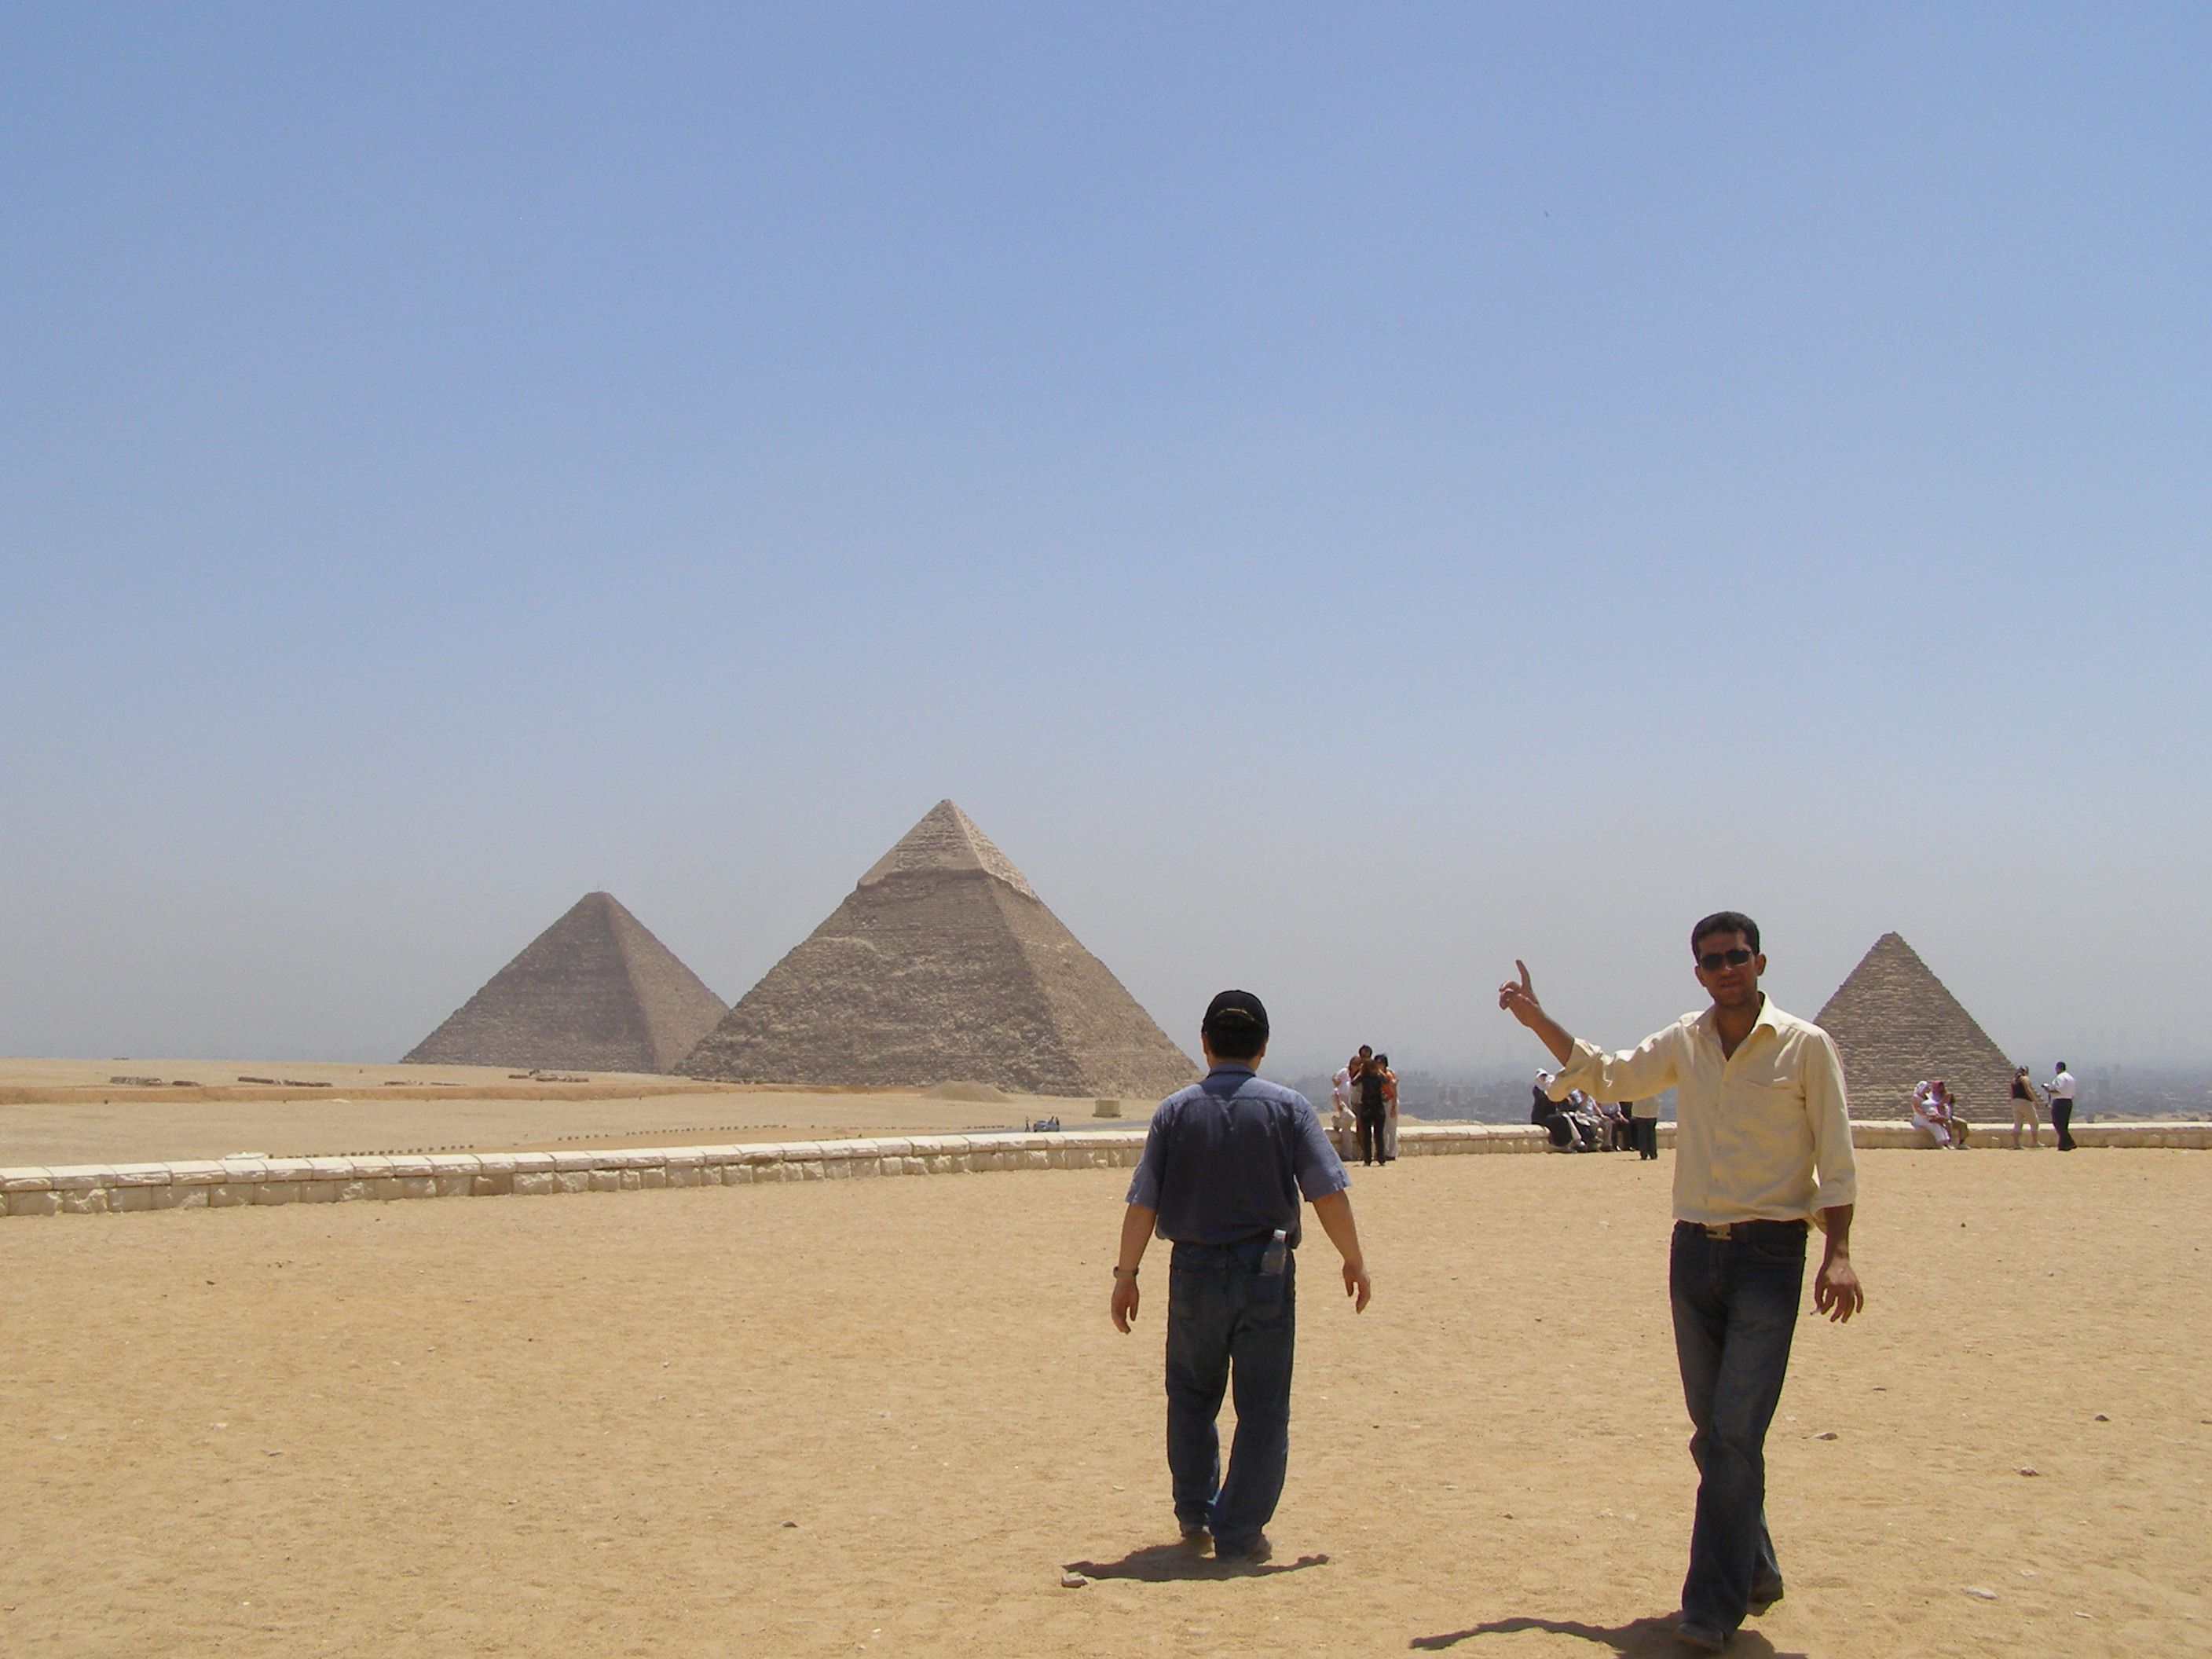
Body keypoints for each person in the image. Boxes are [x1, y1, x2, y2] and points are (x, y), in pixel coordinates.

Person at [1497, 911, 1862, 1652]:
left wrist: (1841, 1251)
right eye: (1713, 959)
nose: (1727, 968)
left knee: (1735, 1431)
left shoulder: (1806, 1046)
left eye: (1738, 955)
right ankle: (1754, 1567)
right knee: (1716, 1435)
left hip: (1770, 1256)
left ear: (1760, 962)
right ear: (1698, 972)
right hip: (1694, 1252)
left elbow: (1837, 1154)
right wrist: (1537, 1020)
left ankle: (1710, 1609)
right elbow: (1609, 1074)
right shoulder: (1685, 1042)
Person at [1111, 990, 1372, 1565]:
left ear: (1204, 1043)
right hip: (1266, 1271)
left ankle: (1196, 1512)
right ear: (1264, 1046)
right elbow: (1327, 1192)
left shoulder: (1175, 1112)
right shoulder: (1289, 1109)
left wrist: (1126, 1274)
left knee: (1190, 1396)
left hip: (1193, 1271)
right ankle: (1240, 1529)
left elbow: (1142, 1202)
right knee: (1262, 1405)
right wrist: (1353, 1258)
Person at [1355, 1048, 1390, 1166]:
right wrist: (1379, 1072)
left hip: (1366, 1107)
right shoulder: (1378, 1077)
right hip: (1378, 1107)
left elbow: (1353, 1082)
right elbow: (1386, 1081)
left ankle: (1367, 1159)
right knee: (1378, 1134)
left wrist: (1360, 1072)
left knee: (1367, 1134)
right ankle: (1381, 1158)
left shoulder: (1363, 1077)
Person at [1910, 1079, 1953, 1148]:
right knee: (1935, 1126)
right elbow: (1917, 1109)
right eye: (1927, 1087)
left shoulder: (1928, 1096)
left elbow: (1934, 1106)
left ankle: (1947, 1143)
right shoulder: (1916, 1097)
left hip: (1931, 1117)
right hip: (1920, 1118)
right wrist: (1928, 1115)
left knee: (1941, 1125)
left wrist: (1936, 1114)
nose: (1929, 1089)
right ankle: (1941, 1145)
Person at [2046, 1060, 2078, 1151]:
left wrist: (2049, 1090)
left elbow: (2060, 1089)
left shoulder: (2060, 1077)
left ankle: (2070, 1142)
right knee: (2064, 1124)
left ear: (2058, 1068)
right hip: (2068, 1101)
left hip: (2060, 1102)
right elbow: (2073, 1093)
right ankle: (2063, 1145)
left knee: (2057, 1122)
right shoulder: (2071, 1078)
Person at [2009, 1066, 2042, 1149]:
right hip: (2025, 1102)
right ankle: (2035, 1142)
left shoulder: (2013, 1080)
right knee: (2034, 1122)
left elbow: (2011, 1093)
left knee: (2018, 1124)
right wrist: (2035, 1101)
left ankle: (2016, 1144)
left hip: (2015, 1102)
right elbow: (2028, 1090)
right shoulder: (2024, 1079)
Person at [1375, 1053, 1400, 1162]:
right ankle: (1383, 1152)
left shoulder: (1388, 1075)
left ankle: (1392, 1153)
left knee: (1391, 1128)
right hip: (1382, 1103)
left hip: (1390, 1102)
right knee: (1383, 1129)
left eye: (1380, 1063)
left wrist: (1394, 1107)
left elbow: (1394, 1090)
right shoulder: (1376, 1075)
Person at [1630, 1096, 1661, 1160]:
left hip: (1640, 1112)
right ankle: (1653, 1154)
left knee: (1642, 1134)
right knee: (1652, 1134)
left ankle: (1644, 1154)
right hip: (1652, 1111)